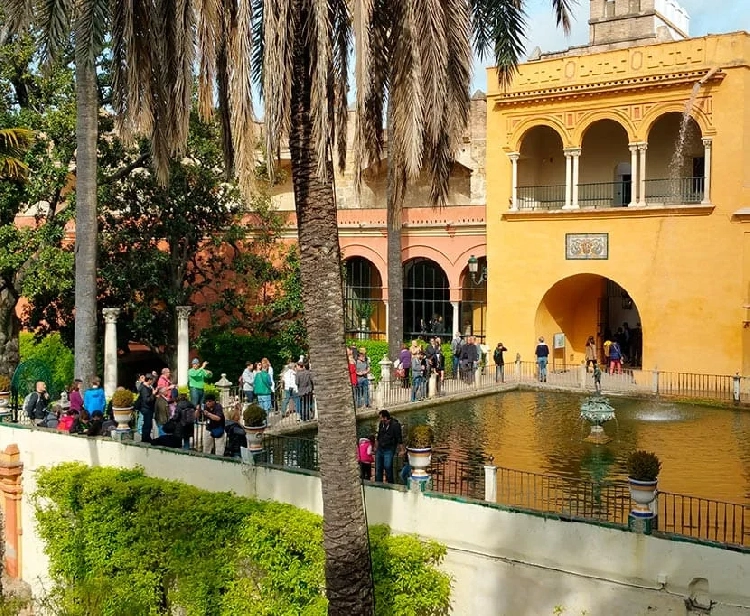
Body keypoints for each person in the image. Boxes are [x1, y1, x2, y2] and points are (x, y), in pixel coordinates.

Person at [374, 410, 403, 484]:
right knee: (378, 468)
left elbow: (399, 438)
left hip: (389, 449)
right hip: (380, 448)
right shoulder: (381, 424)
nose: (380, 419)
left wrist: (401, 450)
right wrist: (376, 447)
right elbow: (379, 436)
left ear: (385, 417)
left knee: (388, 467)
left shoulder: (395, 425)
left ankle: (390, 484)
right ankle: (378, 484)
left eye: (381, 418)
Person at [136, 374, 157, 443]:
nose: (153, 382)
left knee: (148, 424)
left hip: (148, 408)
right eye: (152, 380)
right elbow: (147, 400)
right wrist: (153, 394)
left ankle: (147, 437)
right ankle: (145, 439)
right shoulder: (144, 388)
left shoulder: (148, 387)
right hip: (146, 408)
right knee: (147, 424)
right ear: (149, 380)